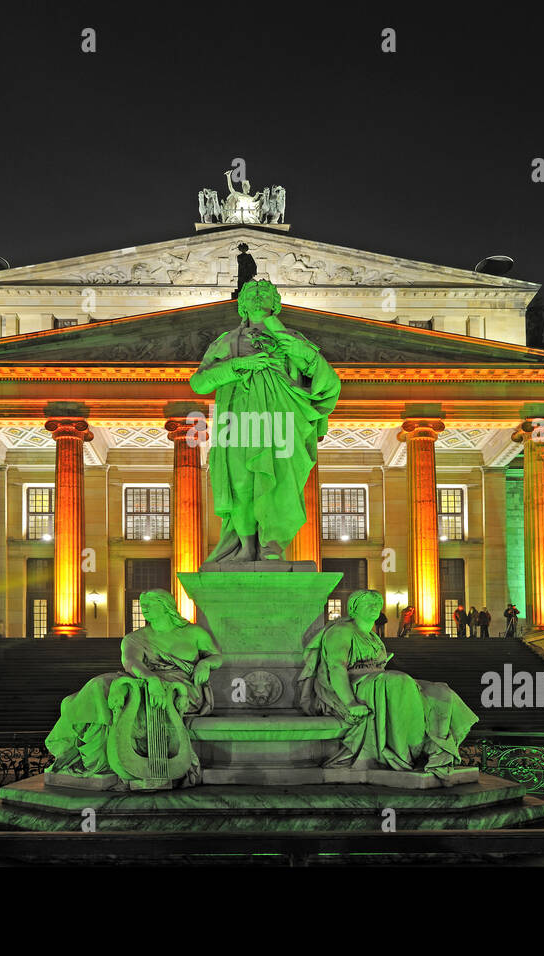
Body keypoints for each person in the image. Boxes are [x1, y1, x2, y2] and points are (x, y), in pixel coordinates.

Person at [189, 280, 341, 562]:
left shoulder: (293, 339)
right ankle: (246, 546)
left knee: (280, 481)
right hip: (240, 419)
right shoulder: (226, 341)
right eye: (252, 294)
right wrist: (238, 365)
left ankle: (271, 544)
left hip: (282, 421)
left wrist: (299, 350)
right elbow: (199, 382)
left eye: (265, 294)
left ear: (276, 303)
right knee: (241, 482)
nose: (259, 298)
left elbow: (329, 382)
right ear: (242, 304)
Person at [45, 589, 222, 787]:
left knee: (131, 697)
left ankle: (107, 760)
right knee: (99, 686)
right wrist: (151, 679)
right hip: (145, 679)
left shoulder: (194, 632)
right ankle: (88, 757)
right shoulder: (135, 638)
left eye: (149, 605)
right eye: (142, 605)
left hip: (182, 688)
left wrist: (205, 664)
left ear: (166, 606)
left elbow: (216, 656)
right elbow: (130, 661)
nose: (144, 609)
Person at [298, 589, 479, 775]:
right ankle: (407, 753)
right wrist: (350, 702)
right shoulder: (342, 630)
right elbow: (336, 668)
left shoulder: (373, 637)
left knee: (439, 691)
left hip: (378, 680)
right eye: (368, 604)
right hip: (352, 685)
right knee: (399, 682)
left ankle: (437, 748)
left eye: (377, 604)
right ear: (353, 609)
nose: (374, 607)